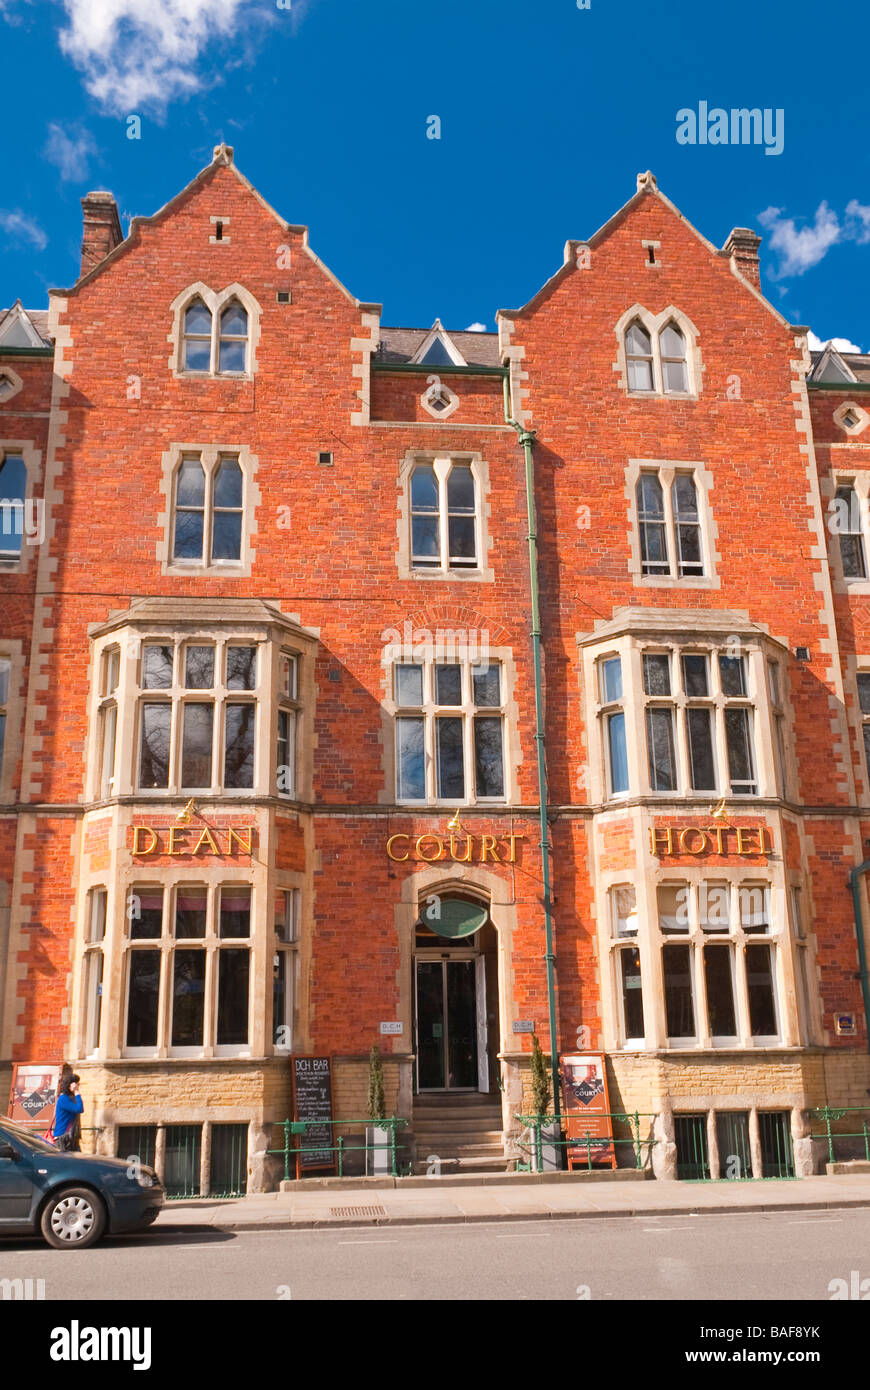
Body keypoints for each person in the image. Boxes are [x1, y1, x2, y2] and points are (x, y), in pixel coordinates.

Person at [52, 1073, 83, 1151]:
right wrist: (77, 1092)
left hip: (70, 1136)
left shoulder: (69, 1099)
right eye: (77, 1084)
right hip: (63, 1138)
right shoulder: (63, 1099)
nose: (78, 1086)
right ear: (71, 1085)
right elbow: (79, 1109)